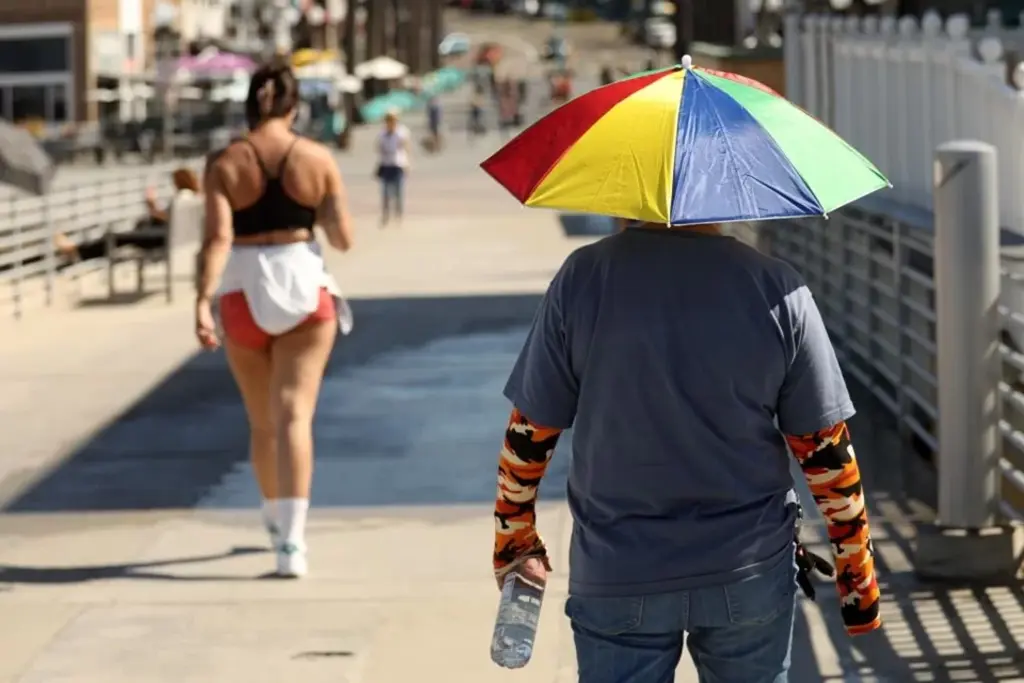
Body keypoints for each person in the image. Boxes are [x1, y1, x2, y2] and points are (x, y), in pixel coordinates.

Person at [491, 220, 882, 681]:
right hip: (747, 567)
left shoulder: (583, 279)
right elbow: (825, 451)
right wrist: (857, 583)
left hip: (619, 570)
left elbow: (530, 432)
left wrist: (514, 540)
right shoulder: (777, 287)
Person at [194, 57, 355, 579]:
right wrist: (323, 209)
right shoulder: (316, 157)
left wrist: (201, 300)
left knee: (263, 422)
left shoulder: (224, 162)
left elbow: (216, 239)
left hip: (241, 289)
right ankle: (293, 542)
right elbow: (344, 239)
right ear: (294, 105)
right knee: (295, 416)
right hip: (305, 288)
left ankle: (271, 515)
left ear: (249, 103)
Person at [52, 168, 201, 264]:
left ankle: (76, 251)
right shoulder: (195, 197)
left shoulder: (184, 196)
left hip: (162, 240)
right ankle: (77, 251)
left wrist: (151, 205)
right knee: (125, 233)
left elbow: (171, 220)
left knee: (114, 237)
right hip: (171, 238)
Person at [375, 109, 410, 228]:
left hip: (398, 164)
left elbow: (406, 148)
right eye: (389, 120)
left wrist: (407, 163)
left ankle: (399, 215)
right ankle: (386, 215)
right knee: (385, 193)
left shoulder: (401, 132)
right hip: (386, 165)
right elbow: (378, 147)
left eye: (393, 120)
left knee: (399, 192)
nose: (391, 122)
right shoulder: (382, 134)